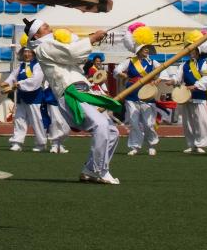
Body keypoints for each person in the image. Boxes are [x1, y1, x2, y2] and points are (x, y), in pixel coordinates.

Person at [26, 18, 123, 185]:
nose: (49, 27)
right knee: (101, 125)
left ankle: (90, 169)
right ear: (36, 35)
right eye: (44, 27)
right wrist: (91, 39)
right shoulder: (44, 46)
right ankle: (100, 171)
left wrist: (88, 40)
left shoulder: (51, 45)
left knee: (112, 132)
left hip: (80, 90)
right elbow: (71, 53)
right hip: (71, 92)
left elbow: (73, 56)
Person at [118, 24, 160, 156]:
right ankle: (135, 146)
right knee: (134, 122)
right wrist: (123, 75)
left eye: (147, 47)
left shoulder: (152, 63)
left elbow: (165, 73)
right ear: (138, 49)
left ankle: (152, 144)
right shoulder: (130, 61)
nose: (146, 50)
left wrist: (157, 80)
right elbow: (117, 70)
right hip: (132, 95)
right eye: (144, 48)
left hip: (147, 95)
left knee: (148, 123)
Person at [176, 31, 207, 154]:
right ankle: (191, 143)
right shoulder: (184, 64)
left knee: (201, 120)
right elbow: (178, 77)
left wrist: (196, 86)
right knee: (187, 121)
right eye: (189, 50)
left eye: (193, 50)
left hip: (199, 95)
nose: (191, 52)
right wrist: (172, 81)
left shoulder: (203, 63)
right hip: (186, 96)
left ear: (198, 51)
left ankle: (200, 144)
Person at [4, 43, 47, 152]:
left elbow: (35, 80)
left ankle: (41, 143)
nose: (27, 54)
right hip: (21, 97)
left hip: (34, 97)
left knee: (37, 121)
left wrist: (19, 84)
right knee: (19, 119)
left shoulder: (38, 66)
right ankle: (17, 142)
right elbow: (13, 76)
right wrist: (6, 82)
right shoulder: (21, 65)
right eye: (25, 52)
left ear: (34, 53)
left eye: (29, 52)